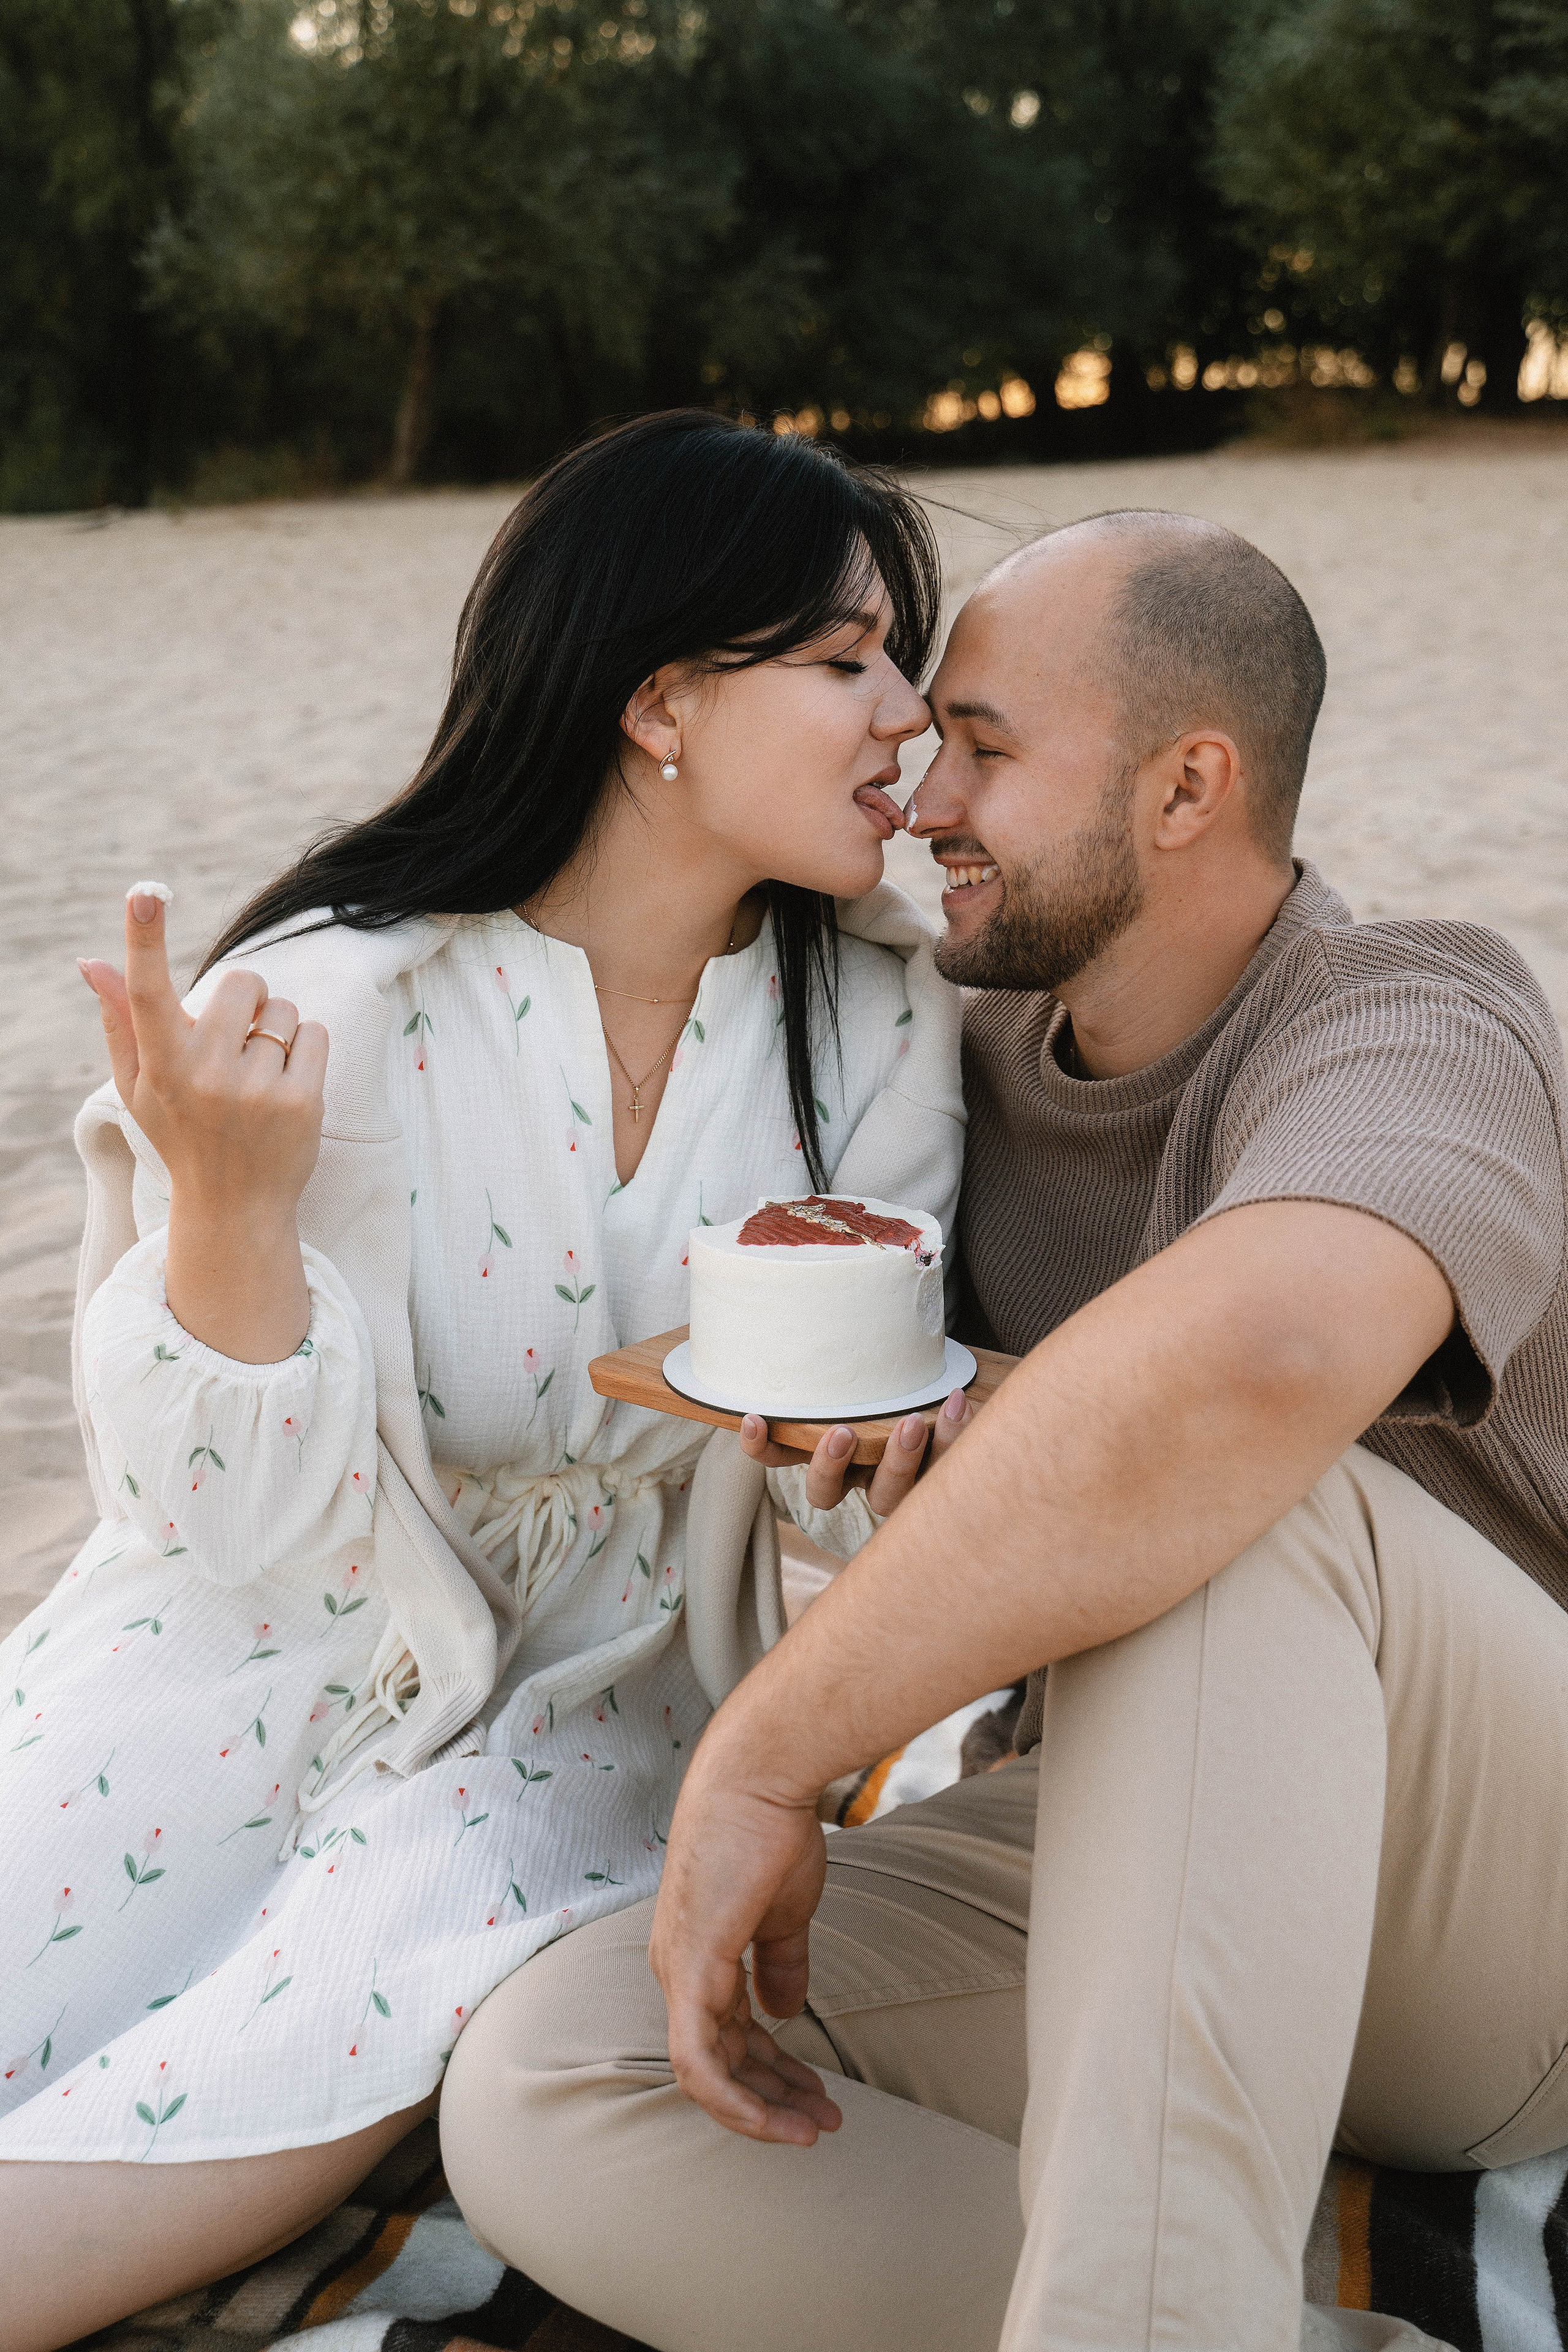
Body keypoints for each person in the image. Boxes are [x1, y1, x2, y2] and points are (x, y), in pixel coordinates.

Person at [443, 510, 1568, 2352]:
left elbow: (1264, 1360)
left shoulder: (1417, 1017)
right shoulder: (951, 1074)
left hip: (1502, 1914)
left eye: (981, 743)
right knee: (565, 2073)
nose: (917, 792)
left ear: (1189, 785)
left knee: (1233, 1492)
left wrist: (773, 1755)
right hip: (1150, 1868)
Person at [0, 412, 976, 2352]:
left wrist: (857, 1443)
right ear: (661, 704)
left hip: (596, 1696)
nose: (912, 718)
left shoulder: (870, 1020)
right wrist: (233, 1215)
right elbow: (205, 1524)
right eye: (850, 658)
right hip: (255, 1637)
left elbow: (841, 1479)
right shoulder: (345, 1000)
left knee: (351, 1988)